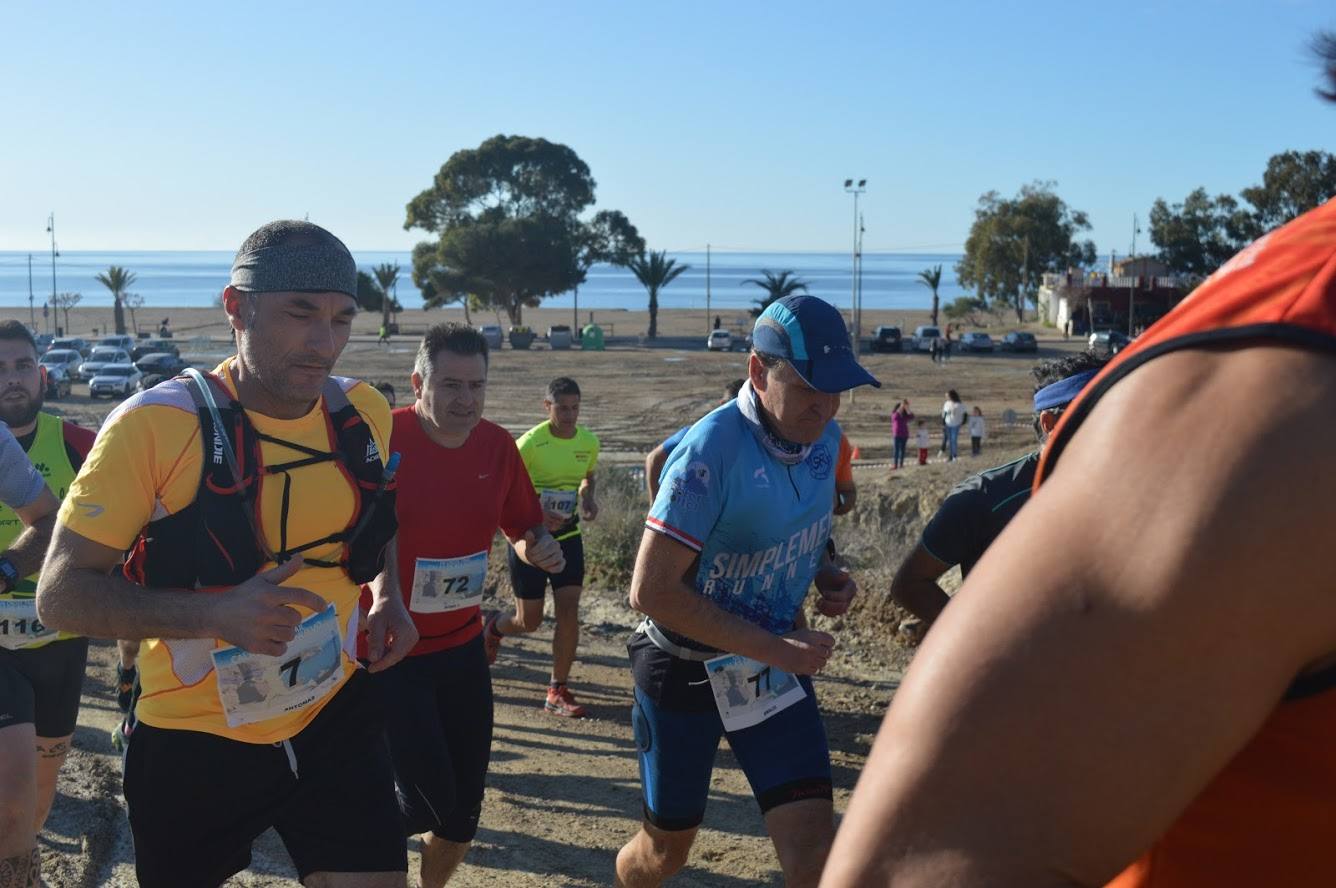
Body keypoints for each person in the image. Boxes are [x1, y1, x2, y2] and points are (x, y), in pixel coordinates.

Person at [820, 49, 1336, 886]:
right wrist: (971, 647)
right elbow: (922, 863)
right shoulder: (1278, 402)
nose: (1070, 428)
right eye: (1061, 418)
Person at [37, 220, 417, 888]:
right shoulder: (155, 425)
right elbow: (61, 595)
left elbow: (375, 516)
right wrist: (216, 615)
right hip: (192, 735)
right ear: (236, 307)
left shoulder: (362, 411)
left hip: (331, 706)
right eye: (300, 314)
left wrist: (387, 596)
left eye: (341, 319)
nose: (323, 342)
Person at [615, 293, 877, 888]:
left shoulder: (825, 440)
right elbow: (650, 593)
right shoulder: (711, 451)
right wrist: (780, 649)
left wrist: (824, 570)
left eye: (837, 388)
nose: (826, 405)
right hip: (682, 667)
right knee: (664, 854)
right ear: (759, 371)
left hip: (768, 671)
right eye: (810, 386)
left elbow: (801, 519)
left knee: (815, 853)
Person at [365, 323, 565, 887]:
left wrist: (537, 546)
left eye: (477, 386)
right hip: (387, 651)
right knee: (424, 802)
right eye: (451, 385)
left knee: (461, 818)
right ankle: (342, 837)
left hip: (461, 647)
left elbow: (522, 523)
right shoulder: (385, 441)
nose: (465, 400)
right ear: (418, 383)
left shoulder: (497, 446)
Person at [888, 353, 1107, 633]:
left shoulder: (1125, 488)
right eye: (1096, 414)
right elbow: (910, 585)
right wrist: (976, 638)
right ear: (1050, 423)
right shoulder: (985, 497)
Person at [0, 345, 74, 887]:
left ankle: (24, 866)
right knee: (10, 793)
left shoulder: (76, 441)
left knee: (37, 790)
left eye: (21, 365)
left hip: (55, 632)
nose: (11, 380)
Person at [487, 376, 599, 717]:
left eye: (575, 408)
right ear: (547, 407)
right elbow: (503, 490)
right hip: (530, 539)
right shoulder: (529, 445)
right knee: (530, 621)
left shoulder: (589, 441)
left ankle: (557, 689)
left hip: (567, 536)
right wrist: (537, 510)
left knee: (569, 609)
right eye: (562, 408)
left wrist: (587, 496)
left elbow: (588, 474)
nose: (569, 415)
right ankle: (493, 627)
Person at [644, 379, 745, 502]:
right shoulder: (695, 434)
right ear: (722, 404)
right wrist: (653, 503)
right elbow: (653, 459)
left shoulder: (751, 444)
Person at [940, 390, 966, 461]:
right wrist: (943, 423)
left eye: (948, 396)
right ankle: (950, 456)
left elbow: (964, 414)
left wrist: (963, 422)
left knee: (954, 440)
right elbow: (944, 414)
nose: (947, 397)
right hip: (948, 423)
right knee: (950, 440)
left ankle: (954, 455)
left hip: (956, 424)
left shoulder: (959, 404)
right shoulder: (946, 403)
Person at [890, 400, 913, 469]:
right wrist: (900, 408)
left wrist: (907, 408)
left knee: (902, 450)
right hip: (897, 434)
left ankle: (901, 464)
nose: (902, 409)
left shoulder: (905, 415)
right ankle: (895, 465)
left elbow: (912, 417)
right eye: (901, 407)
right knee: (896, 450)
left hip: (904, 434)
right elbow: (894, 417)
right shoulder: (895, 414)